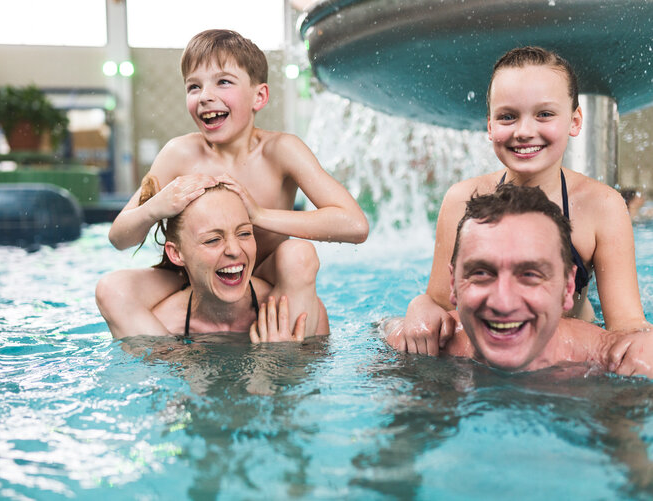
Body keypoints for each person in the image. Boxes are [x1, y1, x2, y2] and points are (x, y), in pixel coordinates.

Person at [96, 29, 368, 338]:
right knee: (112, 289)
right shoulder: (178, 154)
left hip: (259, 275)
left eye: (223, 82)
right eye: (193, 86)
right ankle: (172, 362)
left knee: (299, 255)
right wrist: (155, 208)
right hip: (193, 277)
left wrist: (258, 215)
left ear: (259, 96)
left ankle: (279, 359)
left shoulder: (280, 151)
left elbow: (354, 225)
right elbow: (119, 237)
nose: (205, 96)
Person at [389, 46, 650, 355]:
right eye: (508, 117)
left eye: (544, 114)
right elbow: (442, 304)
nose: (525, 131)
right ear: (489, 126)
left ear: (575, 121)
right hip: (494, 343)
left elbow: (627, 325)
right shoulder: (461, 200)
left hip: (570, 352)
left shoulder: (601, 205)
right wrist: (419, 305)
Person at [385, 184, 652, 377]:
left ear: (569, 287)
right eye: (481, 273)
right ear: (453, 283)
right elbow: (384, 327)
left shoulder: (615, 361)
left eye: (530, 275)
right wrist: (417, 307)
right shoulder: (425, 344)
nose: (503, 302)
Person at [121, 184, 329, 340]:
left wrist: (283, 363)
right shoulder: (162, 326)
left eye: (245, 233)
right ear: (176, 254)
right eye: (213, 240)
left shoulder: (301, 310)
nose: (234, 250)